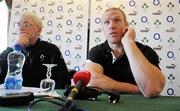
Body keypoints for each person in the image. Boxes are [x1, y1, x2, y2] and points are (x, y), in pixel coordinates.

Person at [83, 7, 165, 97]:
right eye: (107, 22)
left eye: (117, 20)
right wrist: (139, 89)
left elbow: (152, 88)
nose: (111, 26)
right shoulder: (97, 51)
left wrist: (128, 42)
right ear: (103, 29)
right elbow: (91, 81)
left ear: (126, 25)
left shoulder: (146, 51)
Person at [0, 12, 71, 89]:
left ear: (39, 30)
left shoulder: (51, 49)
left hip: (42, 97)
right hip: (14, 95)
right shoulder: (11, 50)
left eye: (26, 25)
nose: (21, 28)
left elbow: (64, 81)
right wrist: (14, 47)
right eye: (18, 24)